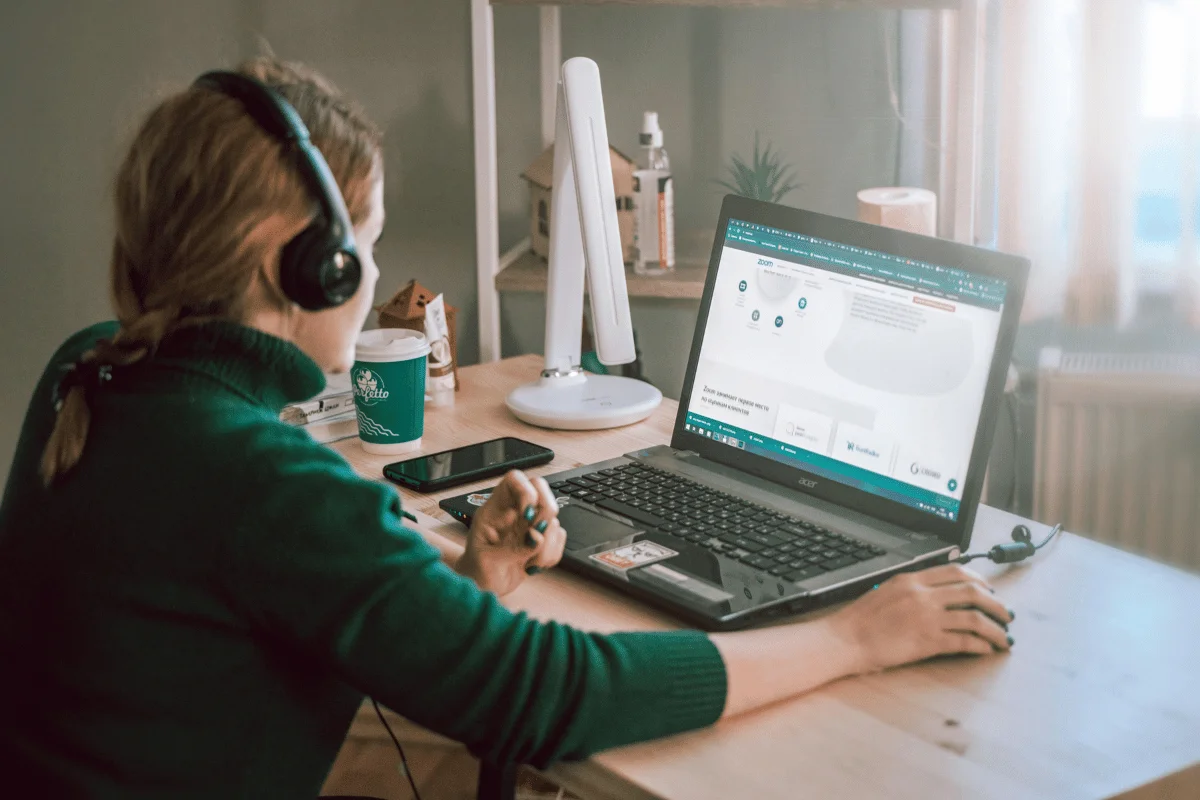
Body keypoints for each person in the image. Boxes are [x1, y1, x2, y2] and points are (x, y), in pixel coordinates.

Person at [0, 57, 1014, 798]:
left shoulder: (92, 368)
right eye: (371, 243)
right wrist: (853, 633)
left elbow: (229, 627)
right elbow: (545, 692)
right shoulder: (258, 479)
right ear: (308, 268)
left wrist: (453, 587)